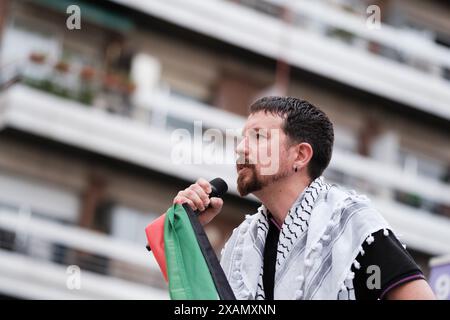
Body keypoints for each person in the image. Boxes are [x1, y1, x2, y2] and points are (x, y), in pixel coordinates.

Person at [173, 96, 435, 300]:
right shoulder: (244, 244)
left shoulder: (350, 224)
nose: (241, 148)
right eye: (243, 138)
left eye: (258, 136)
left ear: (300, 156)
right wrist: (190, 233)